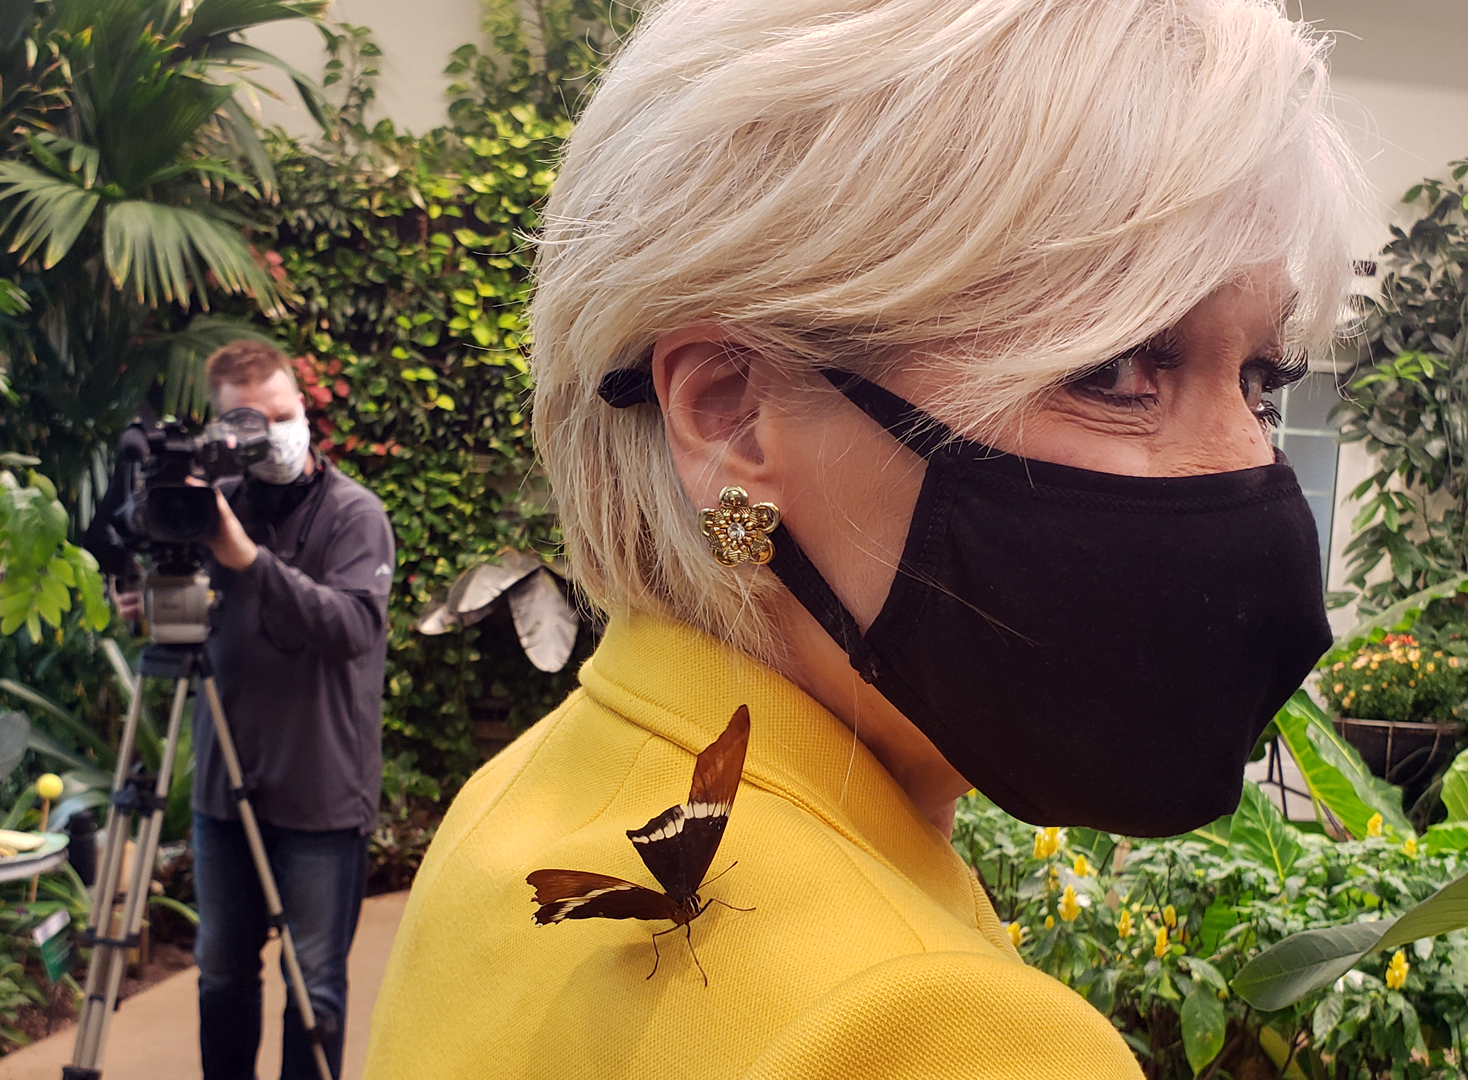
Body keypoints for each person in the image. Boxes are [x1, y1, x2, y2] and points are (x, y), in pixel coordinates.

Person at [365, 1, 1364, 1077]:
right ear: (730, 412)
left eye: (1264, 379)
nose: (1250, 466)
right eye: (1115, 369)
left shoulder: (515, 801)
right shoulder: (939, 1038)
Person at [109, 340, 394, 1080]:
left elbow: (353, 630)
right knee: (223, 978)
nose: (274, 432)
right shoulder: (210, 511)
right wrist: (148, 600)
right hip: (223, 796)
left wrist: (248, 561)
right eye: (252, 422)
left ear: (304, 408)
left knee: (314, 992)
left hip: (322, 798)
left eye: (284, 413)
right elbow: (184, 608)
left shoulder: (355, 515)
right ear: (222, 431)